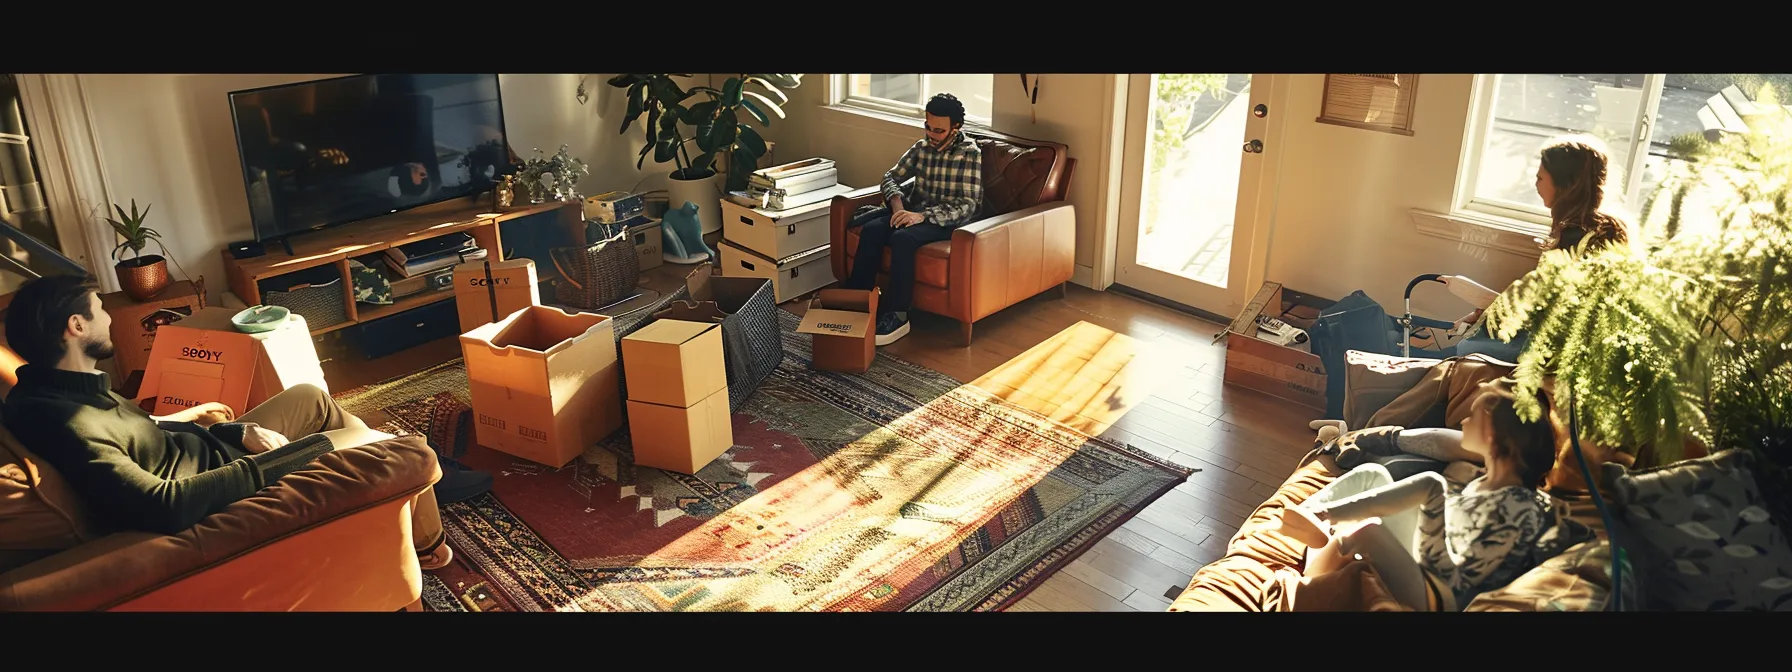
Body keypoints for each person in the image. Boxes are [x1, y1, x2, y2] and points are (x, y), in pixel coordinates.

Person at [0, 274, 492, 569]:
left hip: (216, 451)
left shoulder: (65, 387)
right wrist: (292, 456)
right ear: (76, 326)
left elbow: (149, 433)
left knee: (307, 398)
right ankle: (428, 542)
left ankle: (427, 486)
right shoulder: (65, 418)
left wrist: (236, 429)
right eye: (100, 310)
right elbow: (161, 505)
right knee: (393, 445)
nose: (109, 317)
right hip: (223, 485)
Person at [1278, 378, 1590, 610]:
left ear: (1493, 435)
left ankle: (1305, 586)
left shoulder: (1522, 506)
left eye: (1473, 417)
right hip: (1426, 567)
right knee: (1375, 475)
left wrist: (1433, 504)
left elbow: (1459, 576)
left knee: (1378, 524)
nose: (1464, 421)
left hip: (1441, 598)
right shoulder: (1482, 481)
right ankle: (1311, 520)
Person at [843, 93, 984, 346]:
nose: (931, 134)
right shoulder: (921, 148)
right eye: (928, 127)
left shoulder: (969, 154)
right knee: (873, 229)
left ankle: (898, 314)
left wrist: (922, 216)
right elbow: (890, 177)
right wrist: (897, 204)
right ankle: (857, 300)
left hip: (948, 222)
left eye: (938, 130)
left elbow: (967, 205)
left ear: (956, 127)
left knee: (902, 238)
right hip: (912, 213)